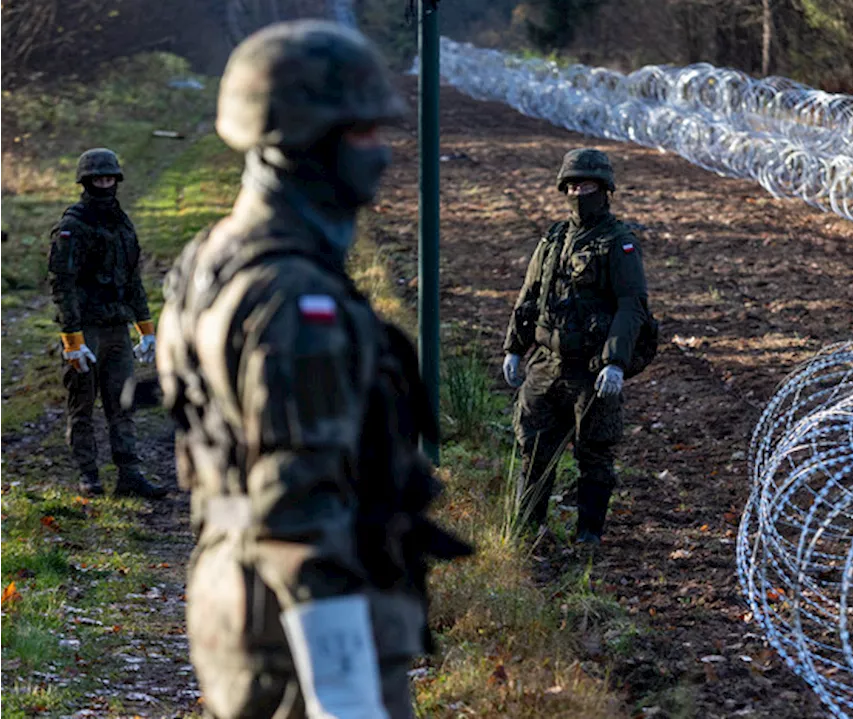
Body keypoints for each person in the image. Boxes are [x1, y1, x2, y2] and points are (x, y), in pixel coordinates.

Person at [155, 20, 468, 718]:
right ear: (305, 142)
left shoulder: (211, 258)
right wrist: (346, 693)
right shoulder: (298, 300)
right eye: (361, 134)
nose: (383, 155)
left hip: (238, 598)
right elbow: (300, 510)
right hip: (303, 629)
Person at [502, 148, 652, 545]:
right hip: (546, 365)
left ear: (604, 189)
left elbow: (630, 306)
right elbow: (530, 294)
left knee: (595, 454)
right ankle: (528, 531)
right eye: (570, 185)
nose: (577, 192)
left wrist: (615, 361)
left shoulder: (619, 244)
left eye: (585, 185)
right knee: (533, 450)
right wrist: (514, 347)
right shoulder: (553, 240)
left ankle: (588, 536)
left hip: (591, 370)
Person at [48, 148, 164, 498]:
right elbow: (62, 285)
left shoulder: (122, 223)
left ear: (116, 179)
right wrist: (73, 340)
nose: (104, 183)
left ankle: (129, 475)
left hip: (116, 328)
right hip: (86, 331)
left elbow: (132, 281)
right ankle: (89, 476)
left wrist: (146, 331)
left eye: (109, 177)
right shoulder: (72, 227)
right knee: (82, 405)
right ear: (86, 181)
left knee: (122, 404)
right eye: (98, 178)